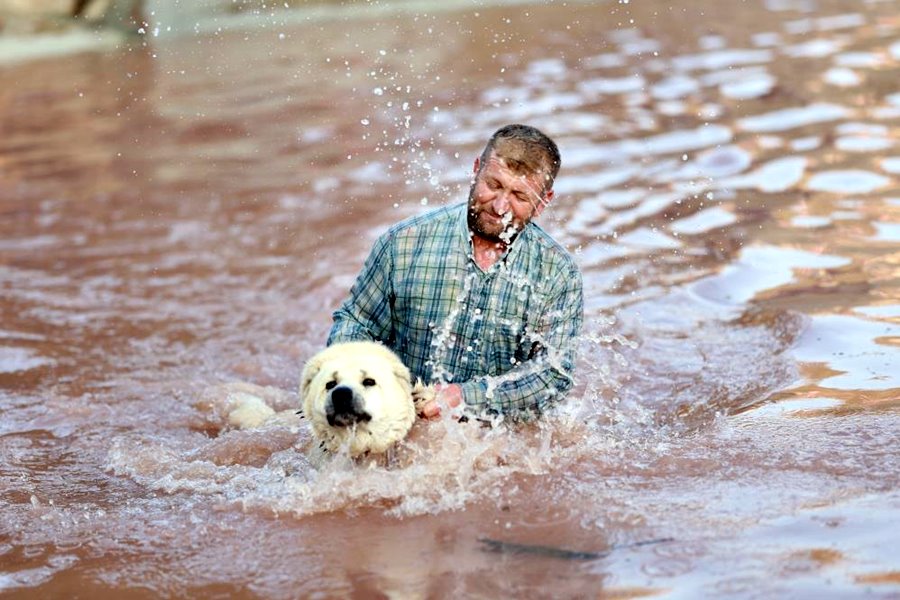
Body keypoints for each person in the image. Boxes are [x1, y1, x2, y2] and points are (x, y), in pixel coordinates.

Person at [327, 124, 584, 420]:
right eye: (494, 185)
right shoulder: (404, 242)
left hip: (494, 441)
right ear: (476, 170)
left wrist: (465, 397)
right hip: (401, 420)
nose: (500, 207)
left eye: (519, 196)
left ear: (543, 202)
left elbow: (553, 375)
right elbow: (357, 322)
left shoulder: (558, 274)